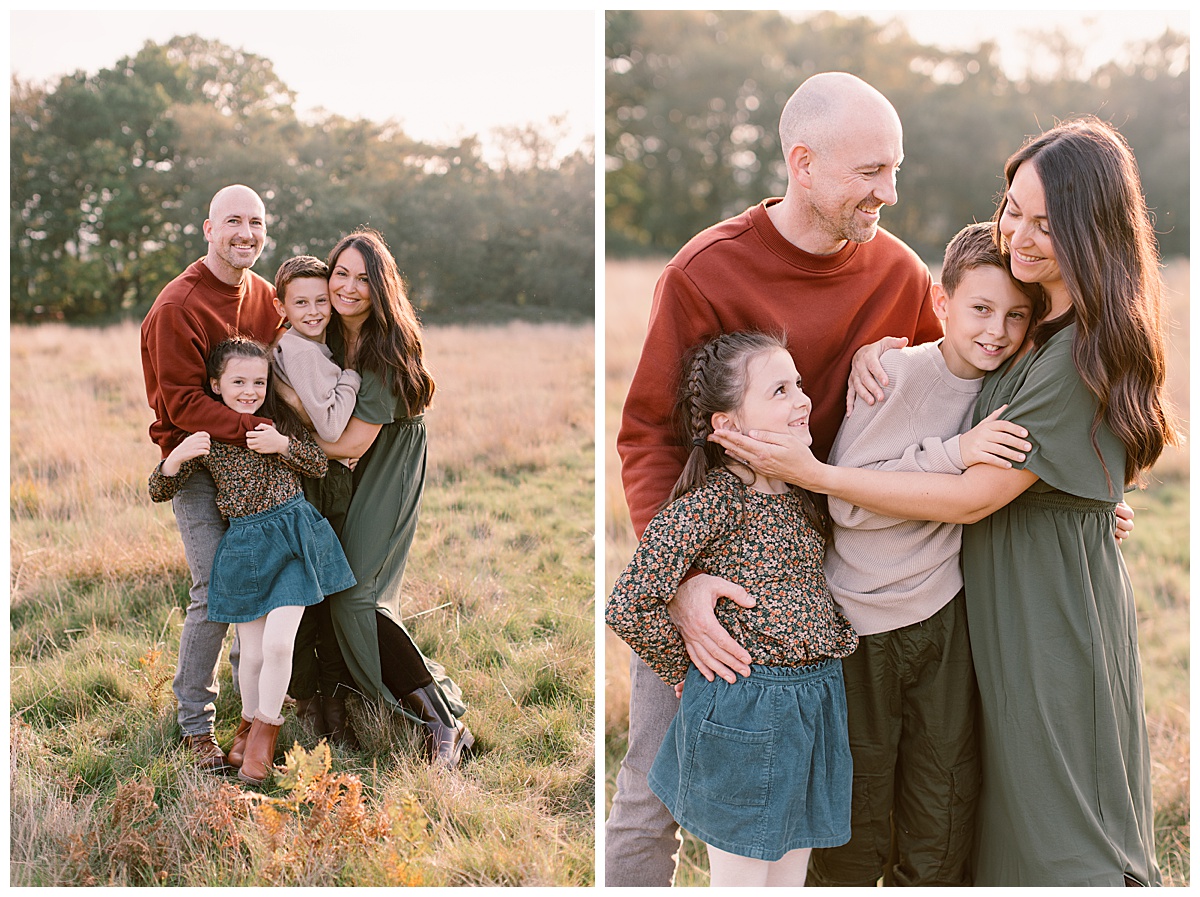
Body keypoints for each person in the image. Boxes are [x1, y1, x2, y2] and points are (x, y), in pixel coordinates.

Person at [714, 116, 1175, 886]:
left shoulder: (1070, 349)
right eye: (1012, 209)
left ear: (1092, 227)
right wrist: (877, 350)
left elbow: (972, 496)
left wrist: (815, 474)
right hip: (988, 604)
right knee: (999, 804)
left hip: (1044, 612)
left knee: (1061, 815)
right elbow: (960, 377)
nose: (1020, 235)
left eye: (1046, 221)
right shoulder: (1039, 325)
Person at [609, 72, 942, 885]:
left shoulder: (899, 274)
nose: (889, 193)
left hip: (833, 577)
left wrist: (899, 356)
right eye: (870, 173)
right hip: (711, 557)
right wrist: (684, 583)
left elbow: (962, 379)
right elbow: (648, 434)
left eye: (894, 169)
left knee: (805, 795)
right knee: (653, 791)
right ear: (803, 163)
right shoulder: (705, 272)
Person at [807, 223, 1037, 885]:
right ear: (942, 303)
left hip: (943, 617)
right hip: (863, 624)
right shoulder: (897, 376)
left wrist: (1097, 511)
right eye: (981, 310)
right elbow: (847, 501)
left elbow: (1012, 481)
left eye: (1015, 315)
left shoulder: (1011, 388)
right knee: (861, 798)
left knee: (943, 796)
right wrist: (954, 455)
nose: (996, 330)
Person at [608, 331, 859, 887]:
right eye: (779, 390)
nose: (801, 400)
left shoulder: (804, 492)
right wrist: (684, 669)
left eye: (798, 385)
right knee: (742, 882)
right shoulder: (715, 502)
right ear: (727, 426)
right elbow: (629, 601)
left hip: (815, 703)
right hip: (749, 707)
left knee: (788, 880)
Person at [149, 337, 355, 785]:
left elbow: (318, 463)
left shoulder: (277, 422)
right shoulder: (207, 439)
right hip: (245, 550)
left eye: (258, 382)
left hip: (293, 540)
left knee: (280, 645)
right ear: (215, 385)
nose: (249, 390)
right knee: (256, 654)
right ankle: (246, 729)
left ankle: (264, 738)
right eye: (238, 381)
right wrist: (176, 458)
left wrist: (282, 444)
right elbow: (158, 489)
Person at [312, 228, 474, 767]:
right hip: (336, 468)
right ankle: (341, 699)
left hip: (388, 462)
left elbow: (350, 442)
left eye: (364, 278)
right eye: (341, 274)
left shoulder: (387, 345)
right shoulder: (324, 334)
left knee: (358, 592)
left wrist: (284, 443)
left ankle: (440, 725)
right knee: (331, 588)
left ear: (381, 287)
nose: (349, 288)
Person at [140, 185, 283, 770]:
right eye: (232, 222)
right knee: (215, 593)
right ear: (207, 229)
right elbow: (180, 405)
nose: (245, 233)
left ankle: (251, 712)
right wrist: (264, 428)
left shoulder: (265, 295)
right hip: (199, 465)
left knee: (258, 593)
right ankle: (195, 724)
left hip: (256, 467)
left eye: (255, 222)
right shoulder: (178, 306)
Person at [268, 255, 362, 743]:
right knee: (321, 594)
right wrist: (353, 378)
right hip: (319, 483)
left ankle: (322, 702)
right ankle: (322, 702)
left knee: (314, 593)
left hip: (311, 478)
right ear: (280, 305)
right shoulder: (302, 350)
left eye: (321, 300)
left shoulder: (309, 348)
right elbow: (329, 425)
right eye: (300, 302)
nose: (313, 311)